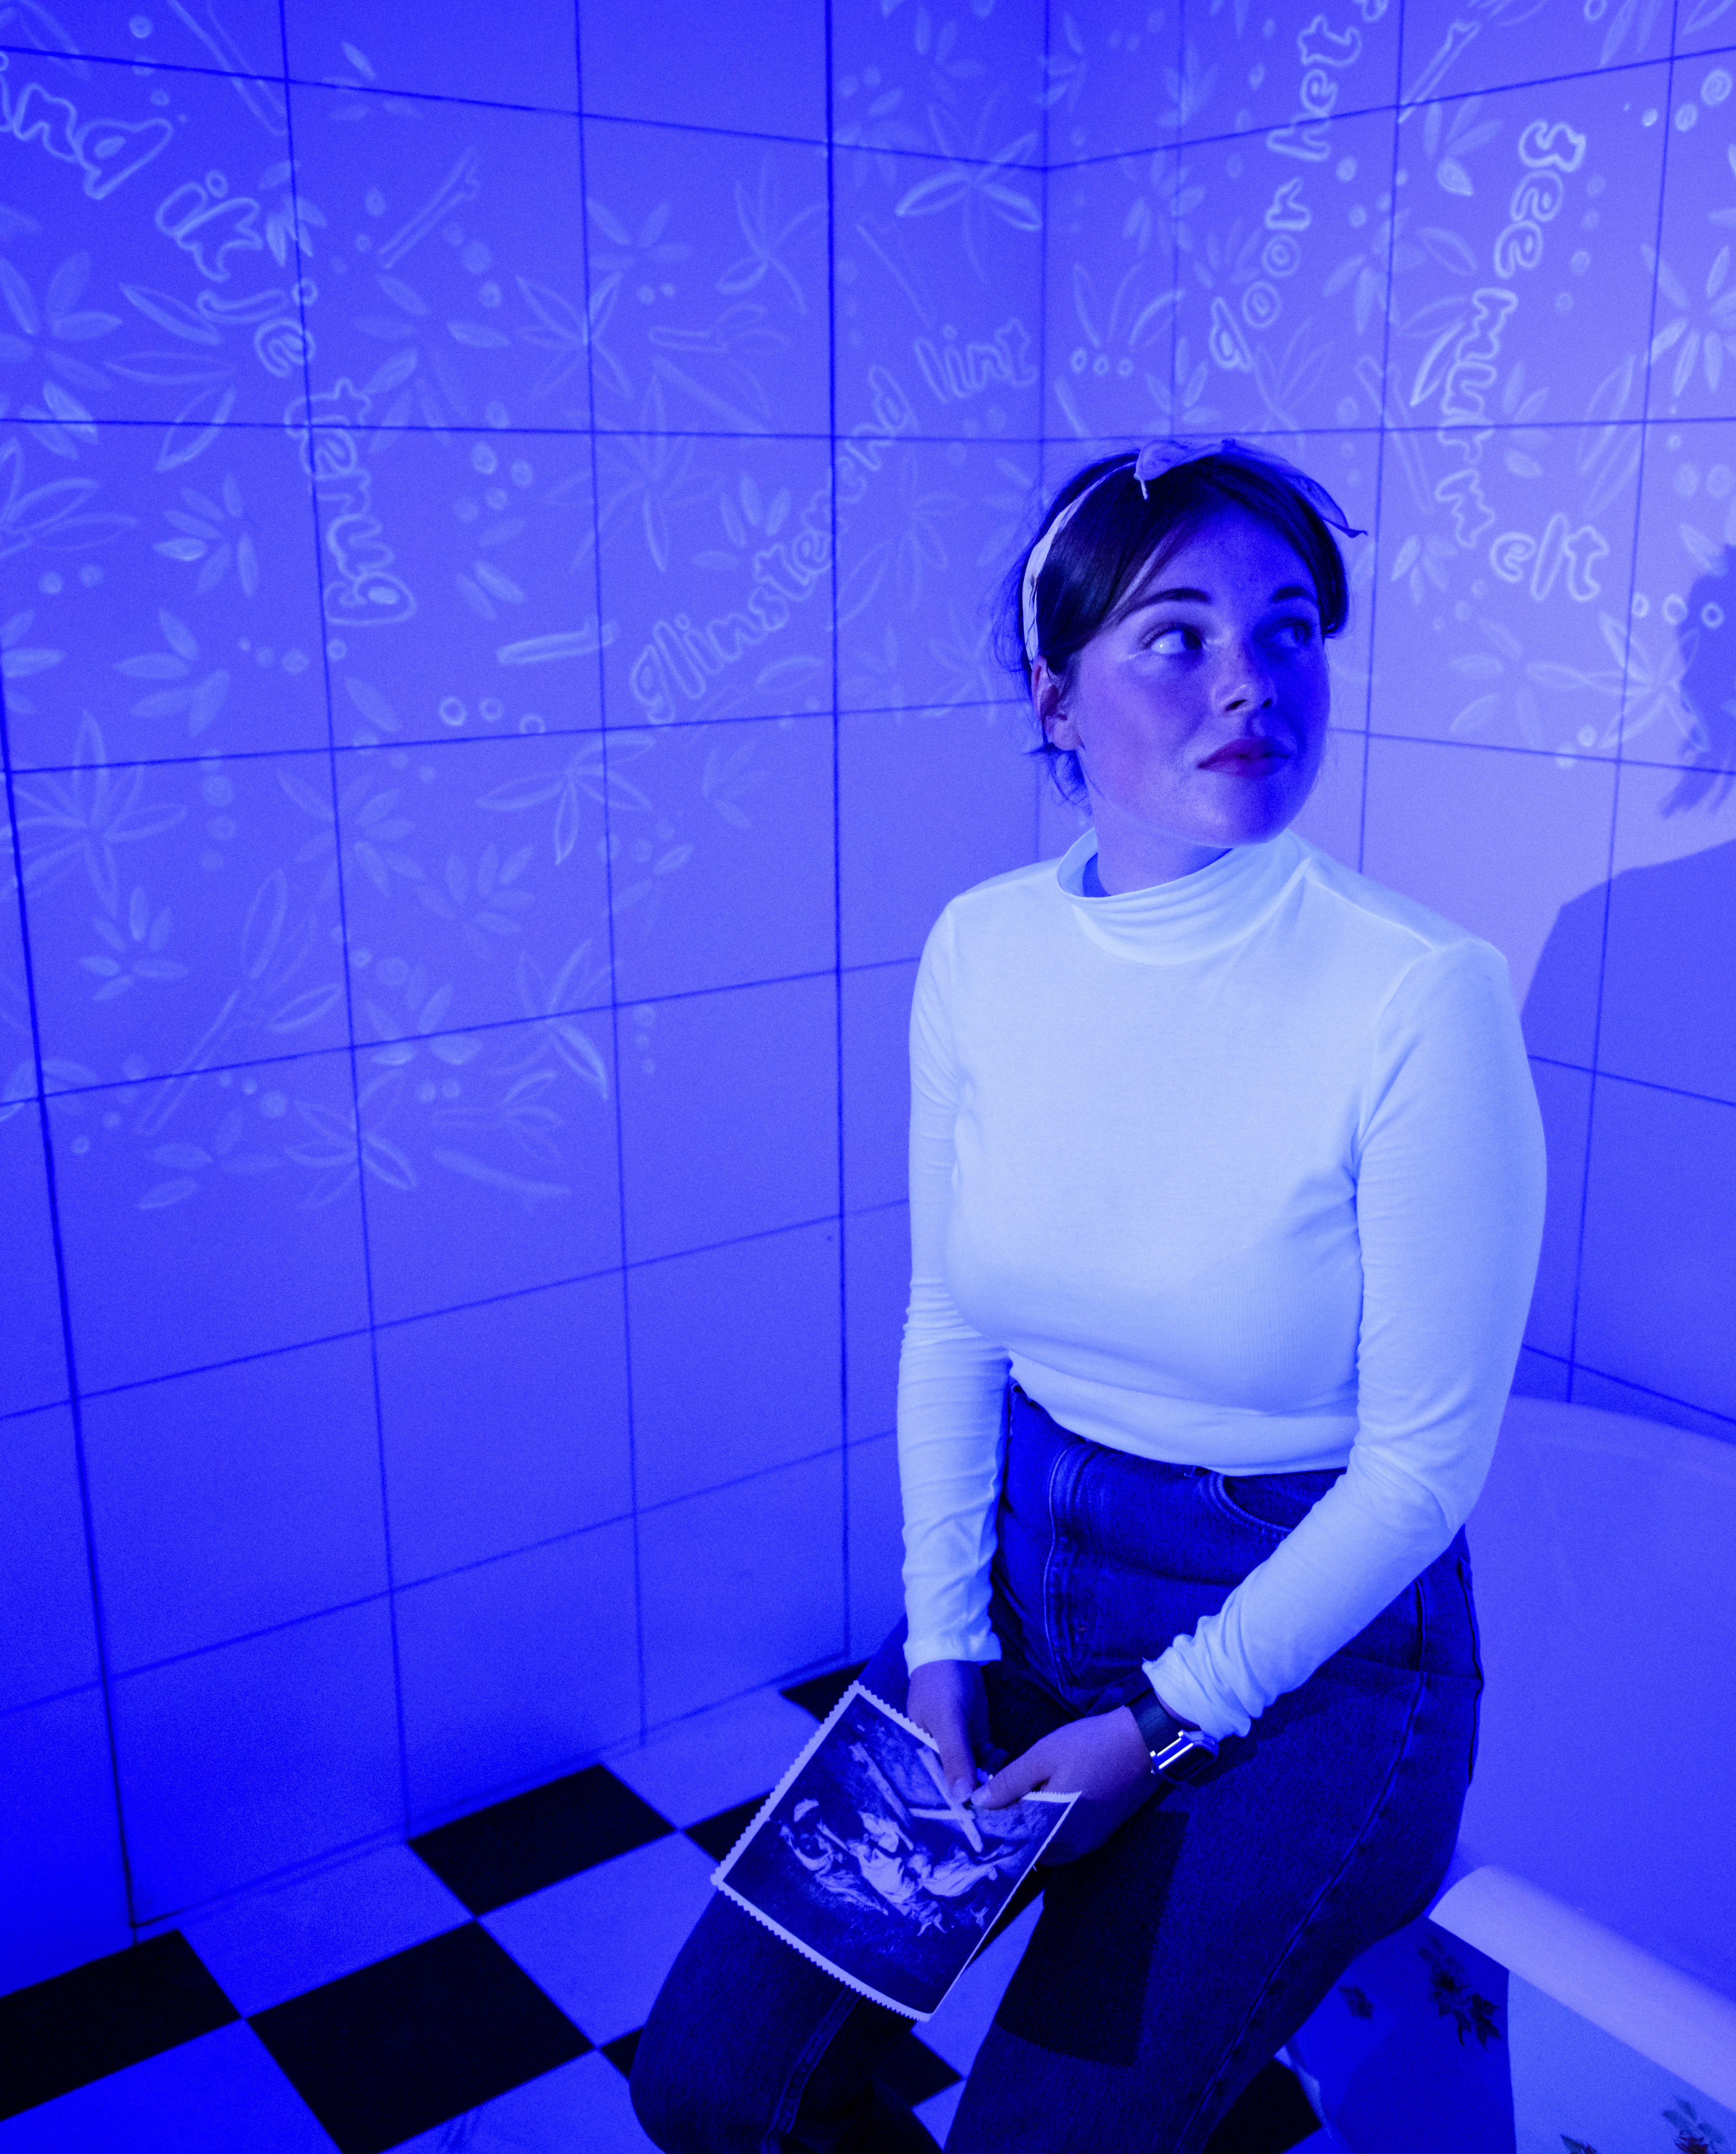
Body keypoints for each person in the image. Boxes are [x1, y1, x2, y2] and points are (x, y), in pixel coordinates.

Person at [631, 441, 1545, 2154]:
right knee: (704, 2084)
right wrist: (944, 1647)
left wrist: (1162, 1718)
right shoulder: (985, 948)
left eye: (1288, 629)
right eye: (1177, 635)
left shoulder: (1419, 995)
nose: (1250, 681)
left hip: (1311, 1663)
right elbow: (952, 1323)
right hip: (1026, 1606)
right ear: (1057, 700)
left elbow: (1423, 1471)